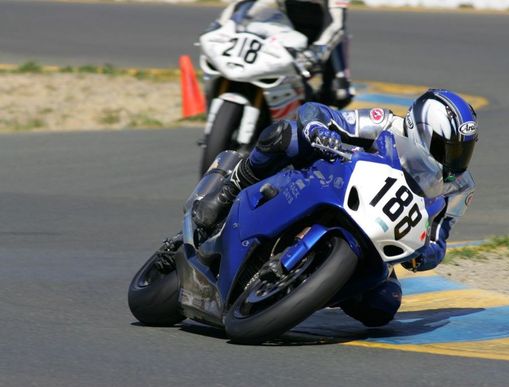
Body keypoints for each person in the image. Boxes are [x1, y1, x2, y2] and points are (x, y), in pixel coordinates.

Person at [193, 88, 478, 326]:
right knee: (286, 135)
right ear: (421, 131)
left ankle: (309, 290)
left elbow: (440, 241)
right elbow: (318, 112)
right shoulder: (386, 124)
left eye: (464, 150)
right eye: (448, 148)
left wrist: (421, 254)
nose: (456, 159)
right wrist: (318, 130)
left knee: (382, 306)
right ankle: (231, 188)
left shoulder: (459, 187)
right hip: (334, 185)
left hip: (379, 235)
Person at [215, 0, 355, 108]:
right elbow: (242, 4)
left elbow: (337, 25)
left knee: (339, 93)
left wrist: (316, 51)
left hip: (324, 39)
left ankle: (314, 133)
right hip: (285, 34)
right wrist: (220, 25)